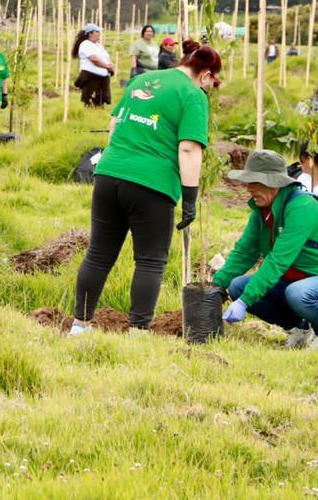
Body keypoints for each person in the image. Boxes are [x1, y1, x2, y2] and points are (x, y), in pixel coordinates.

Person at [70, 40, 221, 334]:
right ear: (204, 74)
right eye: (212, 82)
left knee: (99, 254)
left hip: (109, 173)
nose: (210, 89)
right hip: (152, 184)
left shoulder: (143, 79)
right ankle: (137, 332)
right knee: (150, 261)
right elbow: (189, 149)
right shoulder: (192, 95)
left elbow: (114, 127)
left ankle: (80, 325)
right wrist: (190, 198)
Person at [216, 149, 318, 355]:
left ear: (273, 183)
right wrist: (216, 285)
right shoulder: (262, 212)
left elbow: (278, 261)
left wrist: (245, 301)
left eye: (254, 183)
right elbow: (244, 252)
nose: (249, 189)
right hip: (296, 283)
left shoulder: (301, 208)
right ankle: (299, 330)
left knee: (298, 293)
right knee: (237, 286)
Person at [73, 23, 115, 107]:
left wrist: (110, 66)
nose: (100, 33)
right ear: (90, 33)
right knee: (91, 101)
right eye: (97, 31)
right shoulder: (86, 44)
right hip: (92, 78)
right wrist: (107, 66)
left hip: (101, 78)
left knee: (99, 102)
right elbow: (94, 59)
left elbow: (105, 58)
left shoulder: (98, 45)